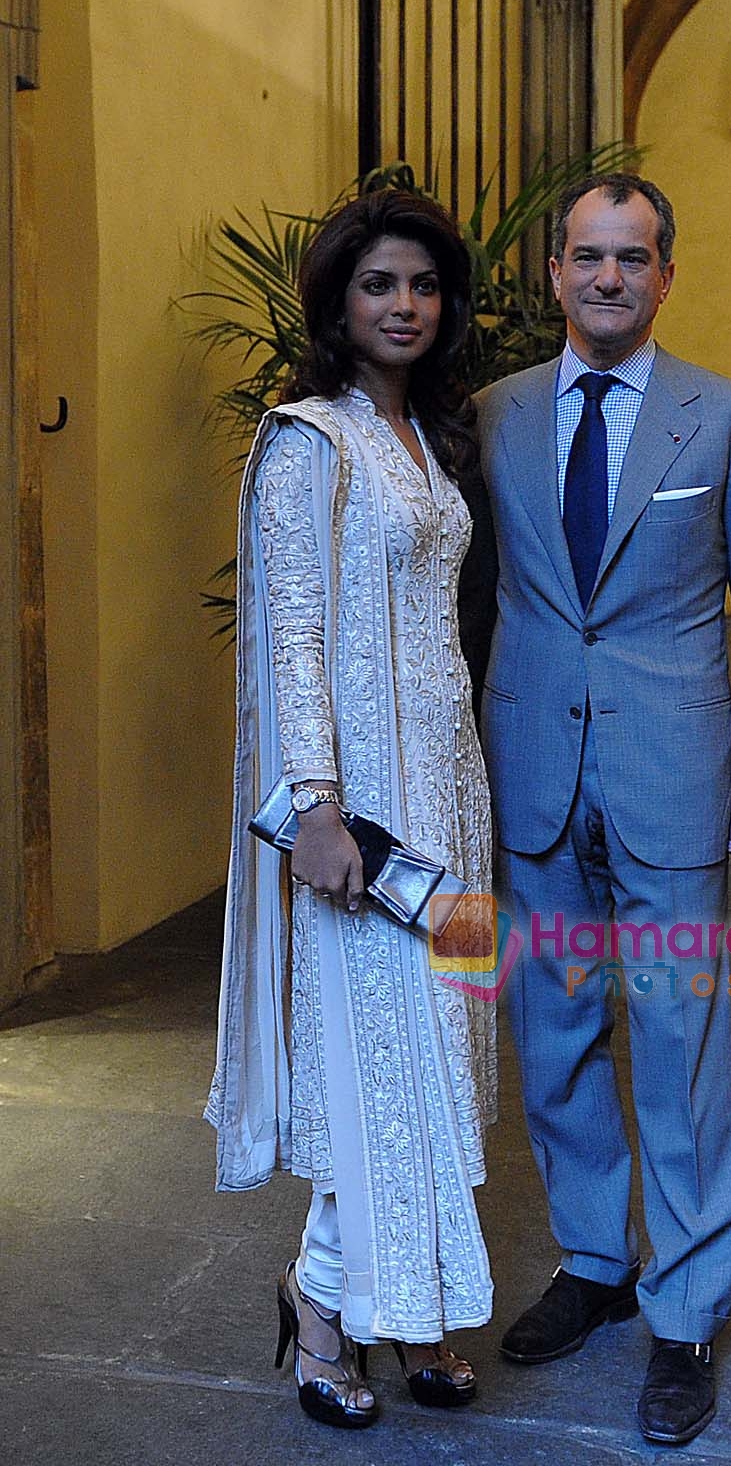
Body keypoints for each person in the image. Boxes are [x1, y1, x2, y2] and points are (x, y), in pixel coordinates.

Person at [476, 173, 731, 1447]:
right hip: (534, 779)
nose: (606, 277)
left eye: (632, 257)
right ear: (551, 274)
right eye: (585, 256)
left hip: (675, 782)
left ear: (666, 276)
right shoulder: (494, 414)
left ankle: (683, 1315)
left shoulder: (728, 421)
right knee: (553, 1035)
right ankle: (592, 1264)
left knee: (677, 1048)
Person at [205, 188, 497, 1428]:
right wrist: (316, 808)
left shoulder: (436, 439)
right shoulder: (305, 440)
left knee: (451, 1053)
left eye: (424, 286)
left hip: (454, 789)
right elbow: (296, 637)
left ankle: (410, 1308)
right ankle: (329, 1312)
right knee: (378, 1056)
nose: (405, 306)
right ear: (338, 301)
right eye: (381, 284)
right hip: (363, 810)